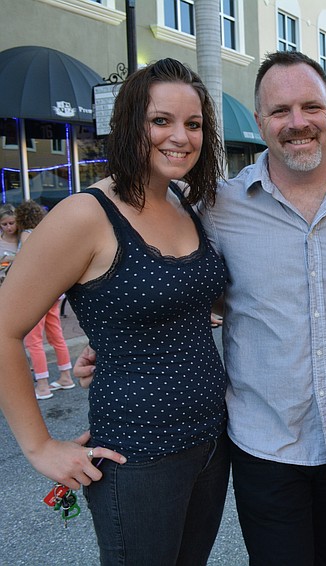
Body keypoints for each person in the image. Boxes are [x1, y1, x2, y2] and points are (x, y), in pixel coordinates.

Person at [0, 58, 229, 563]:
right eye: (161, 120)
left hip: (212, 442)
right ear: (130, 124)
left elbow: (181, 303)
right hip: (136, 456)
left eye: (194, 124)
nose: (181, 136)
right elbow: (4, 328)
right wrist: (39, 447)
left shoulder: (184, 202)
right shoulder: (86, 214)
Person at [202, 51, 326, 564]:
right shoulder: (221, 208)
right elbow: (183, 289)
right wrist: (118, 348)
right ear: (261, 121)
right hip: (263, 442)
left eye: (311, 106)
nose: (297, 123)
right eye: (279, 111)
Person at [15, 201, 75, 399]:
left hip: (37, 291)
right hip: (55, 290)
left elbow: (26, 264)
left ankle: (42, 385)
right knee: (55, 334)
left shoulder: (26, 235)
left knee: (34, 340)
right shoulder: (47, 232)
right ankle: (66, 376)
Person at [0, 204, 19, 283]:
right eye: (4, 224)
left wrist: (6, 258)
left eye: (11, 223)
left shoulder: (23, 238)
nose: (8, 227)